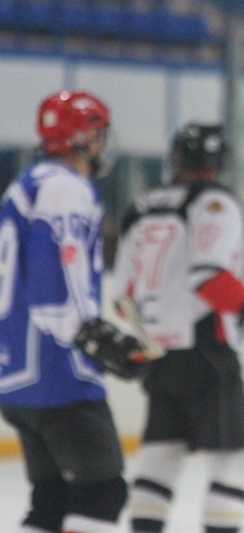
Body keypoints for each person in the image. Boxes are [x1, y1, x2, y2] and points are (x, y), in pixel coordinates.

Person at [0, 90, 148, 533]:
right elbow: (55, 271)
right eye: (97, 133)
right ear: (81, 137)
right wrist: (89, 334)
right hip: (56, 369)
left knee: (52, 501)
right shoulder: (65, 187)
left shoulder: (26, 184)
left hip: (16, 371)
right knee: (102, 492)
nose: (102, 143)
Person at [113, 123, 244, 533]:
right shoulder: (215, 202)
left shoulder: (139, 207)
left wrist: (153, 334)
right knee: (233, 459)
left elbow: (123, 297)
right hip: (207, 349)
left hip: (158, 354)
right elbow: (210, 276)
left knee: (160, 454)